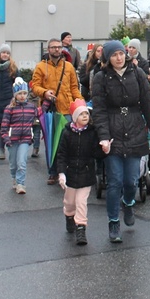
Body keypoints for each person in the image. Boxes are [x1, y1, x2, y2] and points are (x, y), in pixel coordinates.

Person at [92, 40, 150, 243]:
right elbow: (99, 110)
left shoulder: (137, 73)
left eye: (121, 53)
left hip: (134, 129)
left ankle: (129, 202)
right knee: (114, 181)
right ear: (107, 57)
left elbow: (149, 104)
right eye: (114, 55)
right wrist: (104, 136)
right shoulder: (100, 78)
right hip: (113, 131)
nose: (119, 57)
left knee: (131, 180)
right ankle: (114, 221)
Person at [55, 99, 109, 246]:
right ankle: (68, 215)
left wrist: (105, 150)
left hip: (86, 172)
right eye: (81, 114)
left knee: (81, 202)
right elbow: (61, 155)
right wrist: (61, 173)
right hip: (70, 173)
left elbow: (96, 154)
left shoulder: (92, 133)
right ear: (74, 118)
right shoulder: (66, 133)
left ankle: (81, 228)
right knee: (70, 202)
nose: (85, 116)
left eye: (86, 113)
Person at [31, 38, 83, 184]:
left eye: (59, 47)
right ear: (48, 49)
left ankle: (68, 171)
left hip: (67, 109)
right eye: (53, 47)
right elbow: (35, 86)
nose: (56, 50)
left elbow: (74, 87)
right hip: (50, 111)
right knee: (52, 142)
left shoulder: (68, 67)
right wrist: (45, 92)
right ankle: (53, 172)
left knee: (68, 142)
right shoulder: (41, 67)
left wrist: (80, 102)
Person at [0, 77, 37, 194]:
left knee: (22, 162)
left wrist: (46, 102)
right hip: (12, 140)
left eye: (25, 93)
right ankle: (14, 177)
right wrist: (6, 138)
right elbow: (4, 125)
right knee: (13, 163)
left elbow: (39, 116)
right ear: (15, 94)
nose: (22, 96)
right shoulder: (9, 109)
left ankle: (21, 183)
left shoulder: (31, 107)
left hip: (25, 139)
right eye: (20, 93)